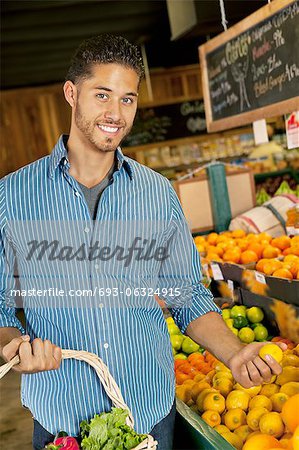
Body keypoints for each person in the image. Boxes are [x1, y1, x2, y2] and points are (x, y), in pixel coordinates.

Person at [0, 34, 285, 450]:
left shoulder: (157, 194)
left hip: (149, 413)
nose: (115, 113)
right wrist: (14, 346)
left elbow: (186, 294)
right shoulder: (13, 196)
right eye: (102, 95)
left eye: (128, 99)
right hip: (61, 417)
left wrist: (236, 352)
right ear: (71, 94)